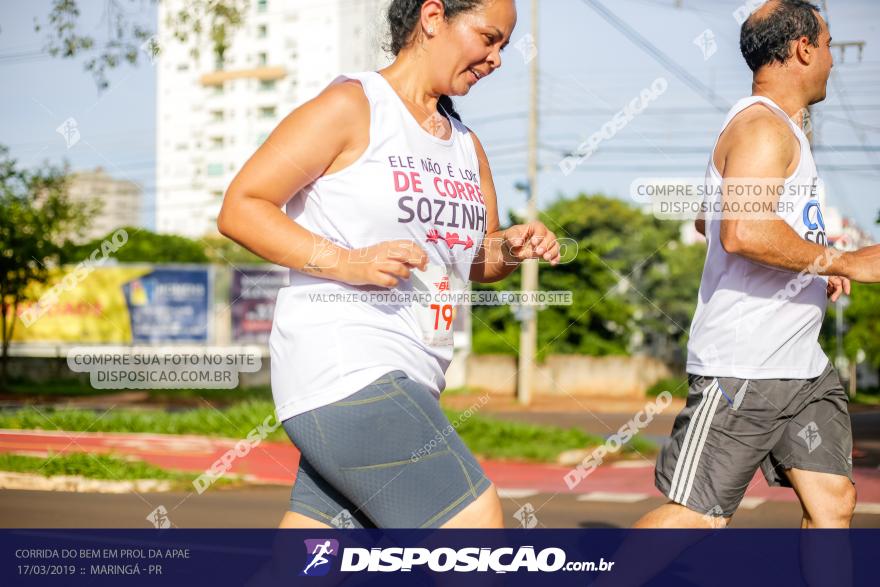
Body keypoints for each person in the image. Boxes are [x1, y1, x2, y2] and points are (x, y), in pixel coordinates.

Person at [218, 0, 561, 529]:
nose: (496, 60)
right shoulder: (353, 107)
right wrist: (348, 262)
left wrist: (509, 249)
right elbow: (242, 207)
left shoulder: (467, 147)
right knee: (473, 521)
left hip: (416, 375)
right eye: (488, 38)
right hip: (344, 364)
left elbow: (474, 258)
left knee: (315, 560)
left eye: (504, 48)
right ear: (432, 17)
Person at [636, 0, 880, 529]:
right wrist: (840, 259)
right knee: (699, 517)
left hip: (800, 366)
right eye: (831, 45)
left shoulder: (783, 132)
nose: (835, 60)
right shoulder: (762, 128)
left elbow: (709, 219)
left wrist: (814, 261)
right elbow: (742, 230)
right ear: (803, 48)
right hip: (746, 365)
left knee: (832, 502)